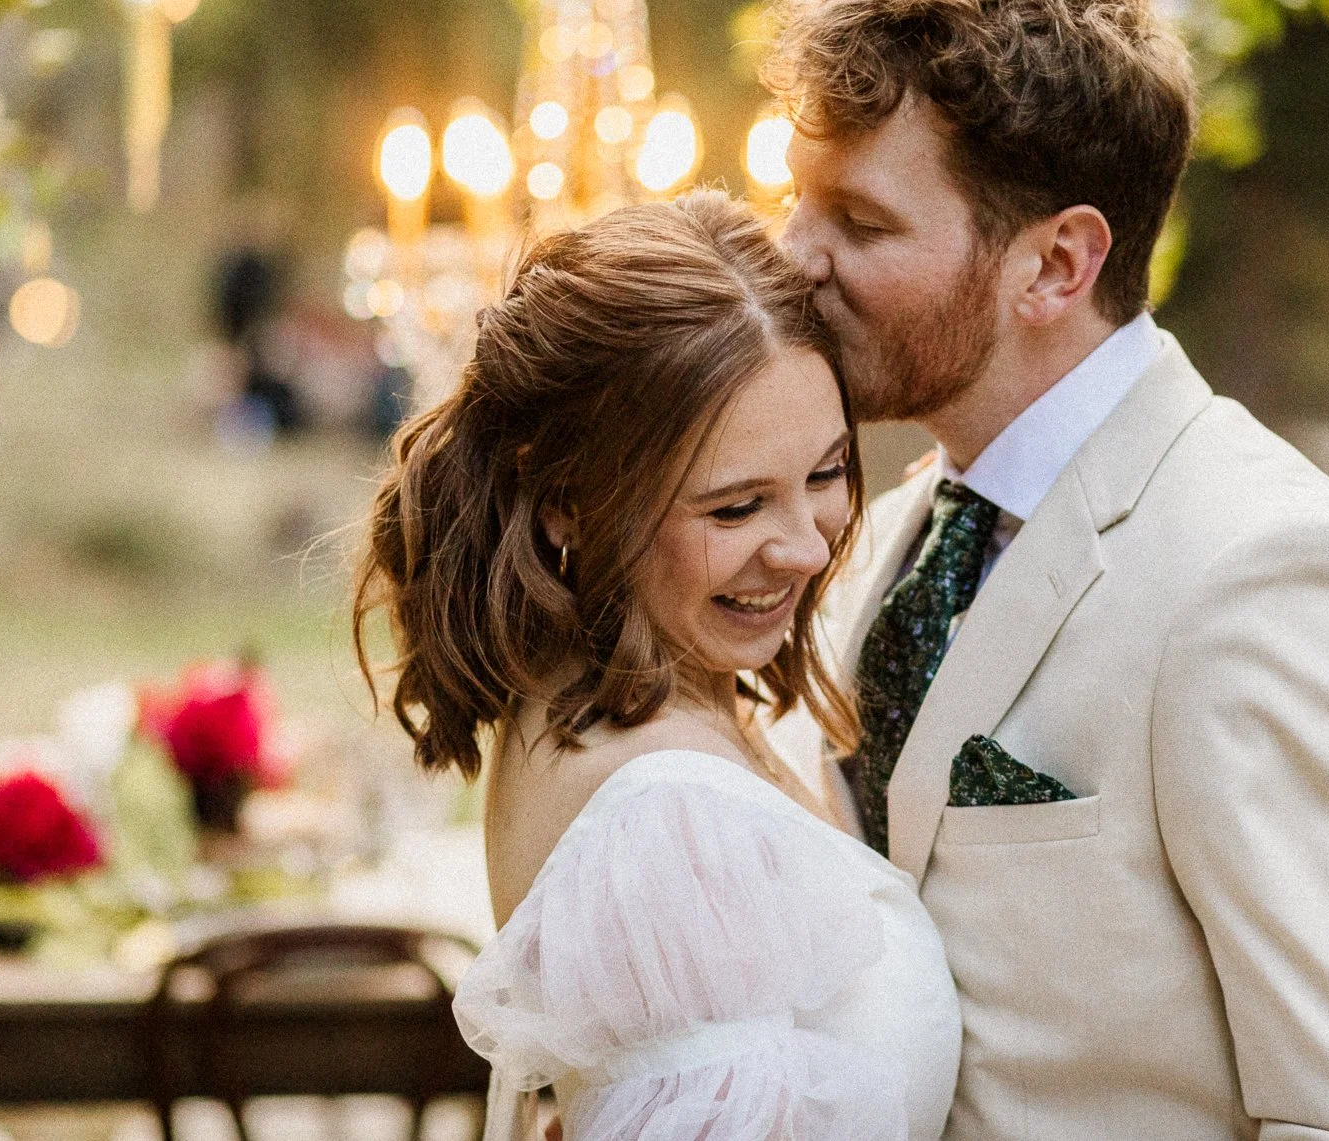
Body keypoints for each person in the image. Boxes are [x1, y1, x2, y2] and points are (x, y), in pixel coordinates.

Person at [763, 0, 1329, 1140]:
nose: (792, 257)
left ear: (1056, 265)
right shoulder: (885, 537)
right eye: (798, 204)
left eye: (860, 225)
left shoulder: (1264, 576)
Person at [353, 193, 962, 1140]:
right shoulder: (669, 812)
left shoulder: (620, 697)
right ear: (569, 503)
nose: (807, 547)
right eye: (734, 508)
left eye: (826, 472)